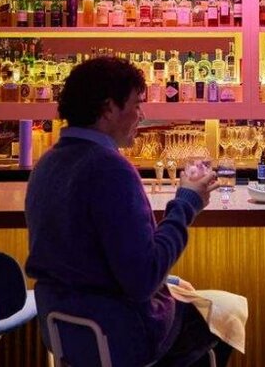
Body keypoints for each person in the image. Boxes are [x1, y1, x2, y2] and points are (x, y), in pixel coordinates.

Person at [25, 57, 232, 367]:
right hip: (119, 333)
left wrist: (167, 283)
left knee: (186, 299)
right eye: (136, 104)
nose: (142, 114)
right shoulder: (109, 168)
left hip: (64, 329)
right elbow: (143, 279)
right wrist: (187, 202)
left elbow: (93, 263)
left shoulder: (47, 163)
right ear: (108, 108)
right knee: (221, 319)